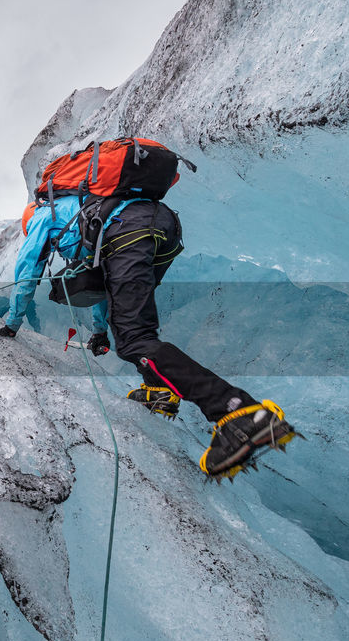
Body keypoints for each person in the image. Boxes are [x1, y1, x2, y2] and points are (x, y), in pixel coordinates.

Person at [94, 195, 295, 478]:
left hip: (131, 239)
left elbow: (30, 264)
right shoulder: (107, 208)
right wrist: (100, 329)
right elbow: (107, 284)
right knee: (139, 331)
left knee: (134, 342)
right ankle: (160, 390)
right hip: (161, 232)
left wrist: (12, 324)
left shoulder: (46, 215)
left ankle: (236, 409)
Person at [0, 195, 112, 355]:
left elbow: (27, 275)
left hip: (122, 240)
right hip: (129, 233)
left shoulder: (40, 218)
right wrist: (100, 331)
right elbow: (100, 280)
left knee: (137, 338)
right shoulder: (84, 215)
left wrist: (11, 326)